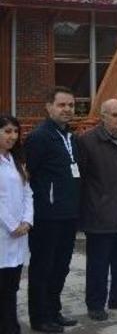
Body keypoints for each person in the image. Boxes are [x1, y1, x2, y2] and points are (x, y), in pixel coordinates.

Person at [77, 99, 117, 321]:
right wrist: (92, 207)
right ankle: (95, 304)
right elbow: (82, 180)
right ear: (103, 117)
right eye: (115, 115)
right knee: (98, 263)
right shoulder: (87, 141)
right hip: (100, 214)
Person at [26, 87, 81, 332]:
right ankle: (39, 317)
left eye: (70, 105)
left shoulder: (70, 135)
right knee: (43, 267)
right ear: (49, 107)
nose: (67, 109)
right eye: (62, 105)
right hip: (47, 215)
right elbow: (31, 175)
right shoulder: (39, 137)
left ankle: (54, 310)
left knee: (61, 265)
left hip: (69, 213)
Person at [0, 115, 33, 334]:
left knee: (11, 286)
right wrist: (12, 225)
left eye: (15, 131)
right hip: (4, 233)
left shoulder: (15, 159)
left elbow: (27, 192)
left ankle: (10, 325)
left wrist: (27, 220)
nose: (12, 136)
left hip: (20, 233)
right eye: (7, 131)